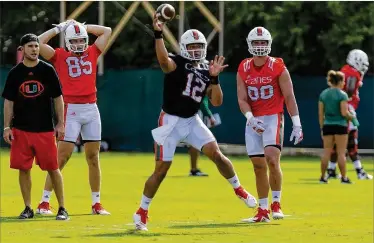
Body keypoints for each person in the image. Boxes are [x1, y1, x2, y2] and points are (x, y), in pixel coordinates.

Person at [132, 14, 257, 231]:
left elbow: (217, 102)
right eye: (192, 46)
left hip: (192, 120)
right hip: (170, 121)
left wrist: (215, 78)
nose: (196, 50)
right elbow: (163, 61)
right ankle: (142, 211)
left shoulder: (206, 69)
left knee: (217, 154)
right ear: (183, 47)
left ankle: (239, 189)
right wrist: (159, 33)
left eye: (199, 46)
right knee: (161, 169)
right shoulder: (176, 62)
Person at [36, 20, 112, 215]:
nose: (79, 44)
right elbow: (38, 42)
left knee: (93, 157)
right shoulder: (59, 55)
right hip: (70, 109)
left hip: (91, 108)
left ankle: (96, 203)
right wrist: (58, 28)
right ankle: (44, 201)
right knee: (61, 157)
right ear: (68, 41)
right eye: (75, 40)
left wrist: (84, 27)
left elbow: (106, 31)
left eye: (82, 40)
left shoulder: (92, 52)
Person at [237, 27, 304, 223]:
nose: (260, 46)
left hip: (273, 116)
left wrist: (296, 123)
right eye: (256, 42)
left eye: (263, 42)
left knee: (272, 159)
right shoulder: (244, 67)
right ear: (250, 44)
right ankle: (263, 209)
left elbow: (289, 96)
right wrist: (249, 117)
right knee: (258, 166)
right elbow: (241, 98)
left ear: (269, 44)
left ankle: (276, 203)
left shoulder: (278, 66)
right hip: (253, 120)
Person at [2, 34, 69, 220]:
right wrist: (7, 127)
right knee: (24, 169)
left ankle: (63, 208)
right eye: (30, 46)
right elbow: (8, 101)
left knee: (53, 168)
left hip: (45, 129)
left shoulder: (47, 70)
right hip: (21, 129)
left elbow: (58, 98)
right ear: (22, 49)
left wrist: (61, 123)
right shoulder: (15, 73)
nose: (34, 49)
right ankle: (28, 207)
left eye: (36, 46)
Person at [327, 50, 372, 180]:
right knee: (351, 140)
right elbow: (349, 91)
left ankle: (331, 170)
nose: (363, 66)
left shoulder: (345, 70)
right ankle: (359, 171)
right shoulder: (352, 73)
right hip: (347, 108)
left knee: (338, 142)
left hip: (338, 109)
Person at [319, 70, 354, 184]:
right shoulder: (342, 95)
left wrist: (322, 128)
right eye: (343, 81)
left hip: (327, 126)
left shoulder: (323, 94)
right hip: (340, 126)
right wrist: (351, 116)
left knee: (326, 152)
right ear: (339, 81)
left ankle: (323, 177)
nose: (344, 83)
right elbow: (344, 113)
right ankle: (344, 178)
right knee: (341, 153)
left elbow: (321, 114)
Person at [188, 94, 219, 177]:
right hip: (194, 113)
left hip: (183, 111)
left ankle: (194, 169)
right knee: (195, 142)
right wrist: (209, 115)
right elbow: (201, 101)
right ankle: (194, 169)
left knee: (193, 142)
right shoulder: (204, 82)